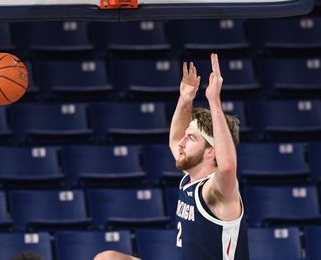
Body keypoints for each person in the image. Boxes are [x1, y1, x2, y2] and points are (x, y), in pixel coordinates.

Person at [94, 54, 249, 260]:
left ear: (211, 151)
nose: (182, 143)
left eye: (191, 138)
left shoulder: (217, 190)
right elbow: (175, 139)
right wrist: (185, 99)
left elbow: (228, 166)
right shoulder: (192, 174)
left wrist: (214, 102)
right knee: (108, 259)